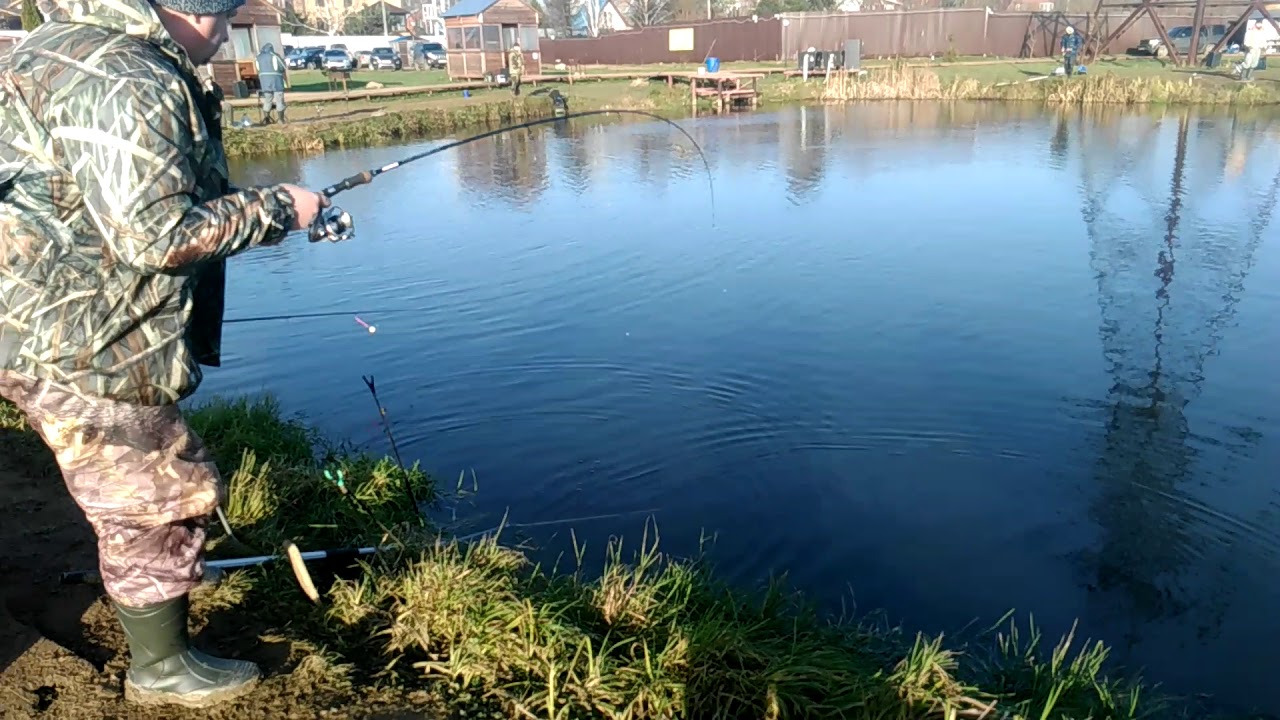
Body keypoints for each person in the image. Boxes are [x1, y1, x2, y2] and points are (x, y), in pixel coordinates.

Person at [0, 0, 331, 709]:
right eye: (227, 14)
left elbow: (116, 192)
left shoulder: (59, 43)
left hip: (26, 317)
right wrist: (278, 208)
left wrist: (249, 206)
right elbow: (155, 235)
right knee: (155, 495)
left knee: (128, 485)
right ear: (196, 11)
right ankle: (162, 667)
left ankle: (159, 604)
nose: (228, 30)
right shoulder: (132, 75)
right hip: (87, 337)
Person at [256, 41, 288, 123]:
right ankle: (281, 120)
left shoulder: (258, 57)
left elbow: (258, 69)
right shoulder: (275, 56)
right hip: (276, 82)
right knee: (279, 100)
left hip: (264, 83)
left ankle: (267, 119)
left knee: (267, 100)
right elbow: (283, 67)